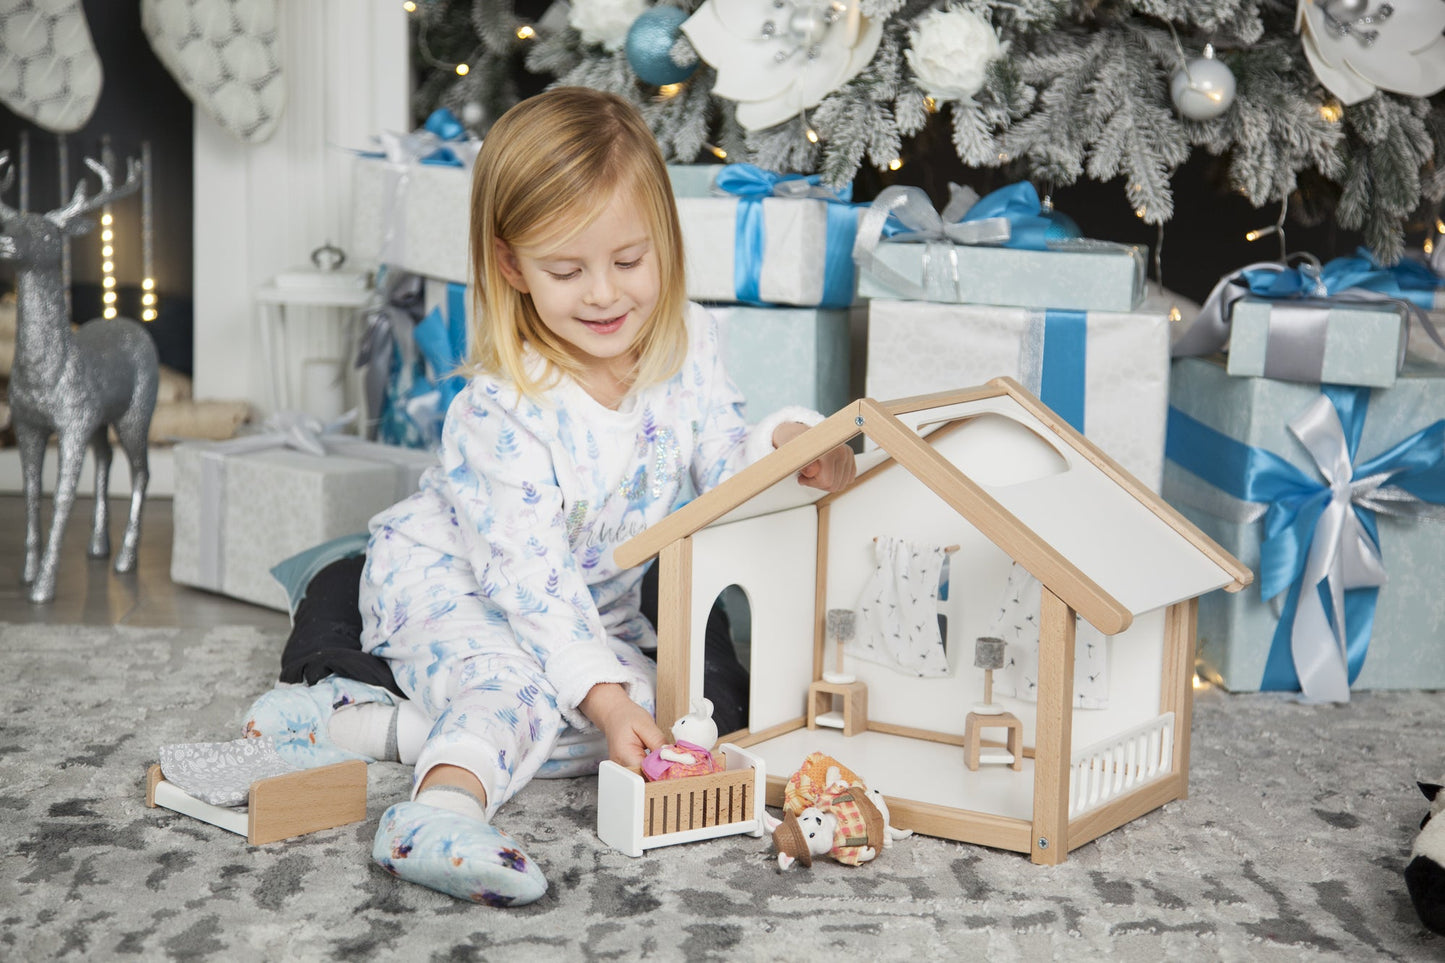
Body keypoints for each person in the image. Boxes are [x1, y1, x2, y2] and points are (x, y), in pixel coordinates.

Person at [241, 86, 856, 907]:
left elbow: (721, 458)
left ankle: (353, 722)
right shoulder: (502, 408)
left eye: (629, 261)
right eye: (566, 271)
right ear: (511, 266)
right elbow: (525, 576)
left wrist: (789, 448)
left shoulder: (692, 343)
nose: (604, 294)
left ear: (664, 244)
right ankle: (434, 813)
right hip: (458, 583)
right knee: (519, 695)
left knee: (653, 720)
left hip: (584, 604)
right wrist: (593, 693)